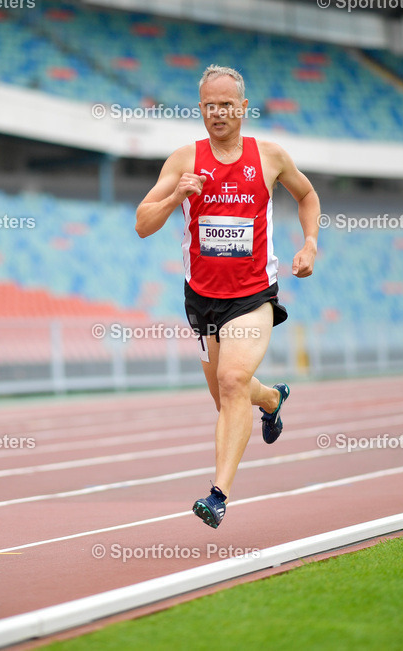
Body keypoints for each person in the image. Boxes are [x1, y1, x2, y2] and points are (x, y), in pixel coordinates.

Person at [136, 64, 320, 529]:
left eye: (226, 105)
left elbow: (307, 196)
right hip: (202, 299)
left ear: (243, 107)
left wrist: (310, 243)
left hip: (253, 295)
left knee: (233, 380)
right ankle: (272, 400)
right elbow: (142, 223)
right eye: (209, 106)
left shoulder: (270, 156)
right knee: (226, 397)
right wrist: (175, 196)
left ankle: (217, 496)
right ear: (200, 109)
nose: (217, 113)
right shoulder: (183, 160)